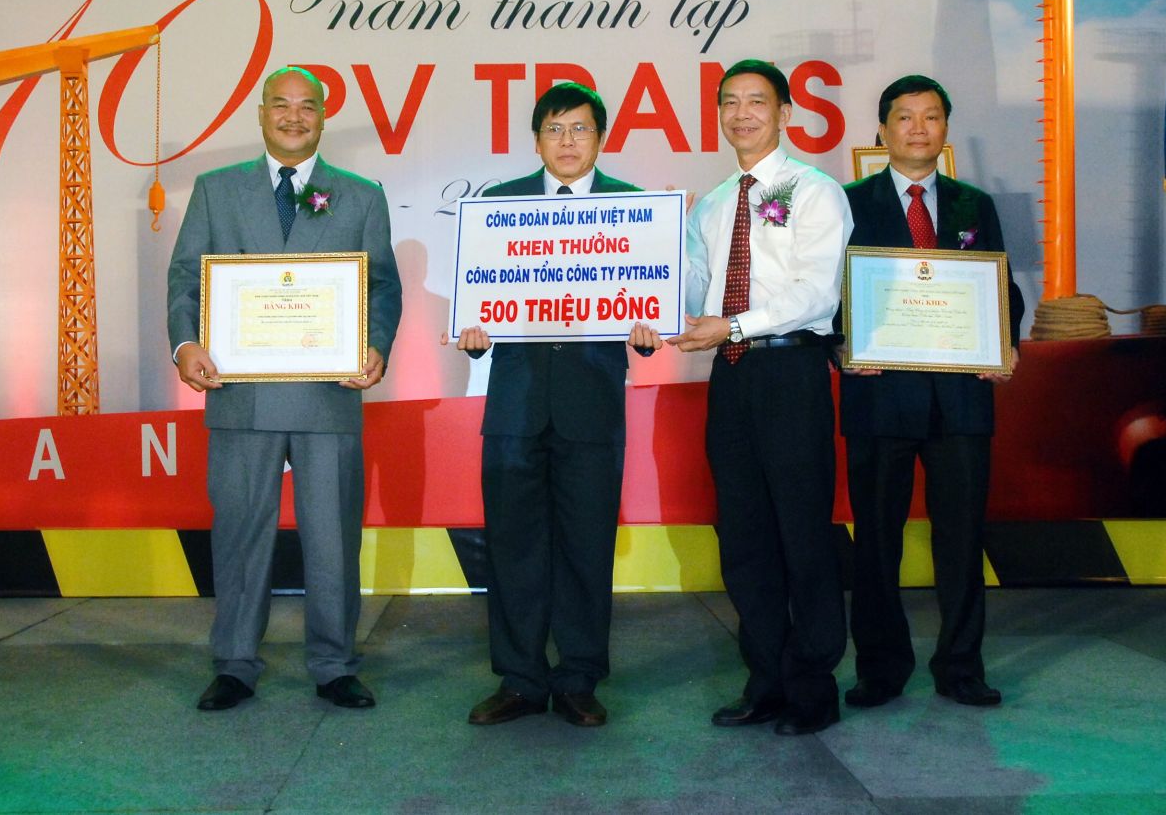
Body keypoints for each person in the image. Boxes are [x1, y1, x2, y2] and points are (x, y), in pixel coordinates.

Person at [167, 65, 402, 712]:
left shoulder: (360, 196)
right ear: (261, 113)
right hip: (240, 393)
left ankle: (334, 663)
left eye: (307, 106)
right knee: (240, 535)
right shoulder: (216, 191)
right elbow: (186, 276)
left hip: (328, 391)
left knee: (333, 539)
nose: (293, 117)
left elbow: (382, 286)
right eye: (281, 105)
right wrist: (186, 345)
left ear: (323, 117)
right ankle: (235, 663)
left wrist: (376, 344)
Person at [448, 82, 660, 729]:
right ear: (536, 139)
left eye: (580, 129)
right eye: (555, 129)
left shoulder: (632, 209)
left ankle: (578, 679)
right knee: (513, 546)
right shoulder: (498, 206)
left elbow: (649, 302)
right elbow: (479, 299)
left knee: (586, 548)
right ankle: (519, 680)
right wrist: (473, 329)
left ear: (602, 137)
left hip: (592, 401)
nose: (568, 141)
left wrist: (649, 327)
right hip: (515, 404)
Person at [668, 58, 854, 736]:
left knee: (803, 533)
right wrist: (650, 296)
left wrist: (734, 324)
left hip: (791, 371)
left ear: (784, 114)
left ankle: (813, 687)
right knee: (743, 535)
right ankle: (766, 679)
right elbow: (694, 289)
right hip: (732, 375)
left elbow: (818, 294)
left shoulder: (816, 192)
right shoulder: (713, 203)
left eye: (756, 101)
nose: (741, 114)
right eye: (730, 102)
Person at [839, 74, 1022, 710]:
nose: (918, 128)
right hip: (878, 395)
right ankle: (880, 668)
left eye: (931, 117)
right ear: (882, 130)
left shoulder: (975, 205)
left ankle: (961, 667)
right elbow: (828, 291)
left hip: (962, 399)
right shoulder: (846, 203)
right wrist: (842, 346)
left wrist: (1006, 343)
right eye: (905, 117)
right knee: (876, 542)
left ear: (945, 128)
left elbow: (1002, 286)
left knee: (962, 541)